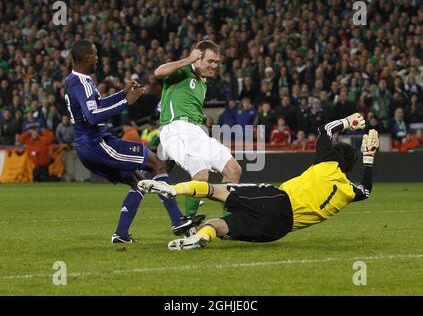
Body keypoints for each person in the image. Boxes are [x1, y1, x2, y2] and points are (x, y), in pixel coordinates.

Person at [139, 113, 379, 250]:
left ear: (336, 157)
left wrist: (347, 122)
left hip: (277, 201)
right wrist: (368, 158)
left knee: (217, 190)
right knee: (220, 224)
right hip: (278, 231)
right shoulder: (349, 191)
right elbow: (366, 191)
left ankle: (172, 188)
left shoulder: (327, 164)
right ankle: (200, 238)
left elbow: (325, 129)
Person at [64, 40, 203, 244]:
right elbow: (93, 116)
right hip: (97, 144)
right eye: (95, 55)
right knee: (157, 164)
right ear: (86, 58)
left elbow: (97, 105)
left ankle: (121, 234)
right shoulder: (82, 82)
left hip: (87, 148)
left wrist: (123, 92)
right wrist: (125, 102)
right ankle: (178, 220)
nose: (98, 58)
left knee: (137, 182)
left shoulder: (73, 80)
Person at [154, 40, 242, 218]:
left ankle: (228, 224)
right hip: (175, 130)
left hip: (196, 131)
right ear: (197, 58)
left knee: (233, 169)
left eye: (216, 62)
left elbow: (184, 102)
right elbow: (158, 72)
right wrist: (187, 59)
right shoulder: (184, 71)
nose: (214, 65)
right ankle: (189, 223)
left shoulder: (202, 83)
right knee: (201, 175)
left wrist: (201, 117)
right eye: (210, 61)